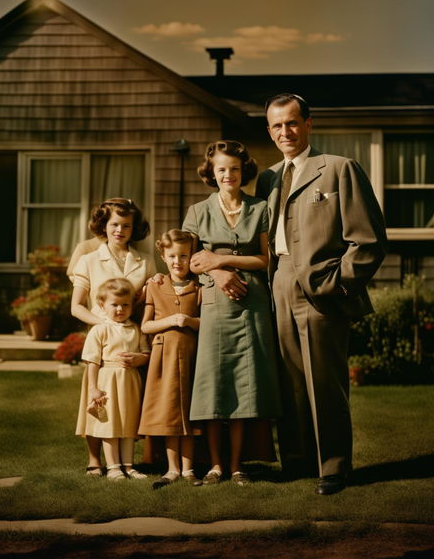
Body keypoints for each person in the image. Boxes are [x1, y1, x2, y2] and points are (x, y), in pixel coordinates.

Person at [255, 93, 387, 495]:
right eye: (277, 126)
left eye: (292, 123)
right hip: (278, 285)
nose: (285, 132)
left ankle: (333, 467)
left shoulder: (338, 169)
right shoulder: (268, 178)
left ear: (309, 123)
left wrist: (337, 282)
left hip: (321, 289)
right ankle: (296, 463)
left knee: (324, 383)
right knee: (288, 381)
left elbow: (369, 241)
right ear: (269, 131)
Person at [182, 140, 280, 486]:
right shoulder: (197, 212)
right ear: (211, 172)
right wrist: (216, 273)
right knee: (213, 385)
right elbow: (191, 261)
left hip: (251, 305)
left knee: (244, 384)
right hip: (214, 306)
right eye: (221, 169)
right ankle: (215, 465)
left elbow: (266, 260)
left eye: (235, 169)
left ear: (244, 171)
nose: (228, 175)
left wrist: (221, 259)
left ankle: (238, 465)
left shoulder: (261, 208)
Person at [70, 198, 156, 476]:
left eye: (126, 226)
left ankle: (127, 462)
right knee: (98, 402)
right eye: (114, 224)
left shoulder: (145, 260)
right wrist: (105, 325)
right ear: (103, 227)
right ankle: (96, 460)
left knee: (126, 404)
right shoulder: (90, 259)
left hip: (132, 335)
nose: (120, 230)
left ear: (134, 229)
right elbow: (76, 306)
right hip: (103, 338)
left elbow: (151, 297)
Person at [139, 229, 203, 489]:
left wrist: (188, 321)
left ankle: (189, 469)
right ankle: (172, 469)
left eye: (184, 256)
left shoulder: (199, 288)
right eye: (172, 256)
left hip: (190, 356)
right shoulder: (156, 286)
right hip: (163, 358)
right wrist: (168, 321)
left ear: (192, 257)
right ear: (163, 256)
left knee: (188, 413)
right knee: (168, 412)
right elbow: (145, 326)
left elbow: (206, 323)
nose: (178, 261)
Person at [81, 278, 150, 481]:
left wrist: (139, 359)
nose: (120, 309)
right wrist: (93, 388)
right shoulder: (99, 330)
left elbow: (146, 353)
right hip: (107, 381)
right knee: (109, 424)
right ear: (102, 305)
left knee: (128, 423)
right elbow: (92, 361)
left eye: (125, 304)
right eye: (114, 305)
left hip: (129, 382)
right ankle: (113, 467)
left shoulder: (136, 330)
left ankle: (128, 466)